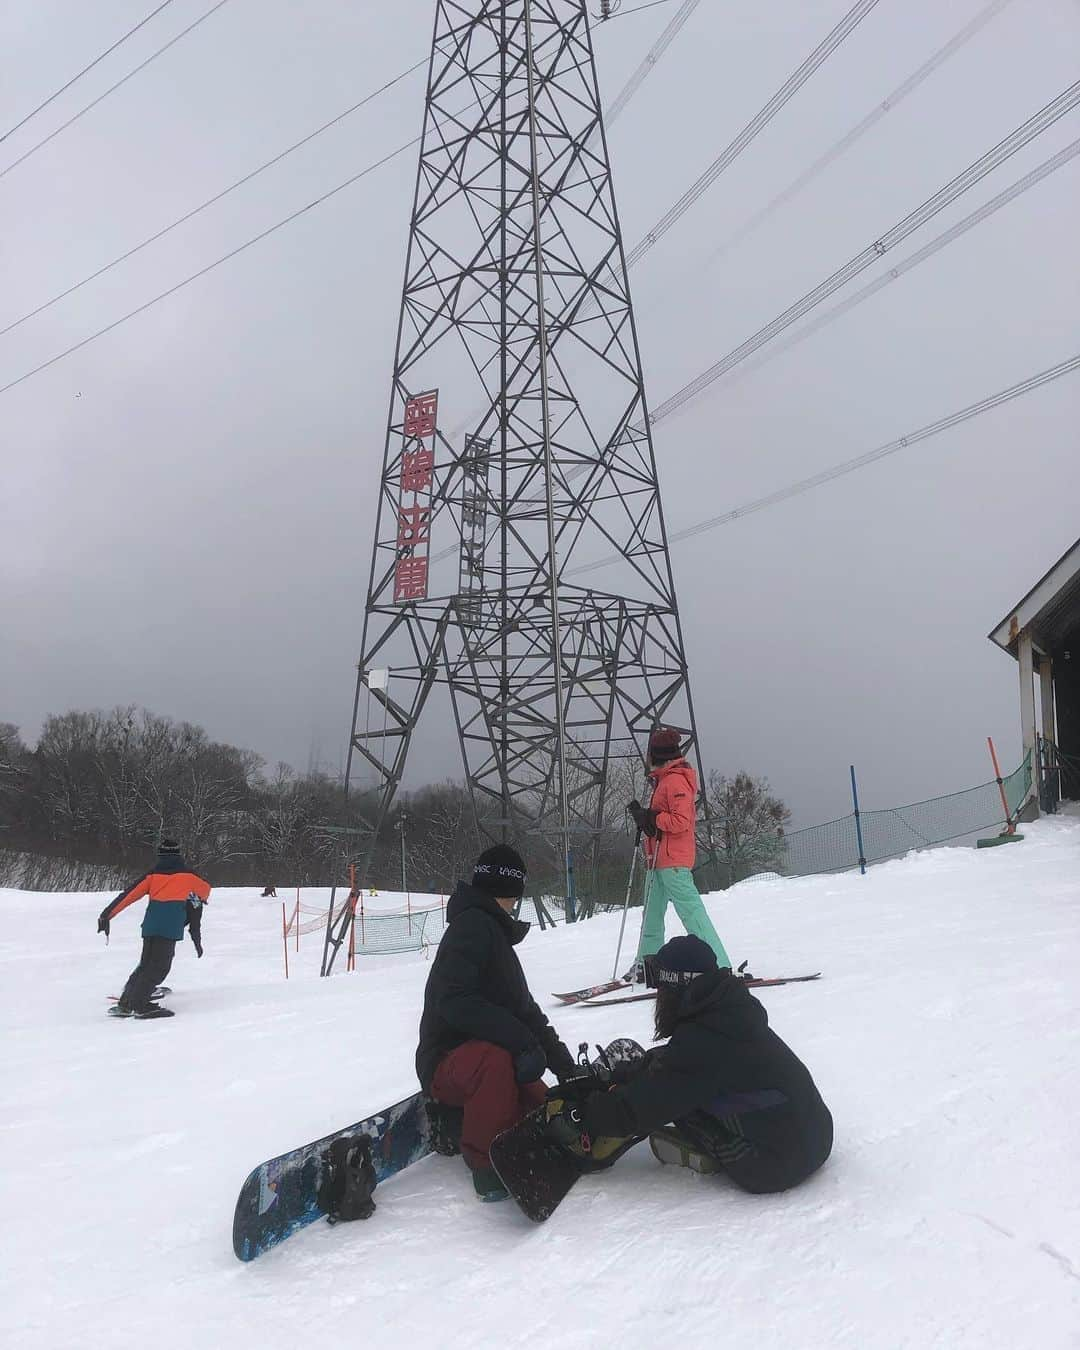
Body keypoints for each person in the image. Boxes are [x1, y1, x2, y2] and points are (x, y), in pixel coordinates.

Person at [552, 935, 833, 1194]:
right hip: (814, 1136)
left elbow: (639, 1108)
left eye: (659, 989)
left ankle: (712, 1152)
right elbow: (680, 1064)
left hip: (771, 1165)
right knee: (680, 1088)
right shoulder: (728, 1013)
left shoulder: (702, 1044)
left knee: (679, 1108)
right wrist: (629, 1073)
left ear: (675, 988)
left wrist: (585, 1113)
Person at [416, 843, 581, 1201]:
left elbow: (525, 1010)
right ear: (509, 891)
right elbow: (454, 1000)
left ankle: (460, 1122)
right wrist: (520, 1041)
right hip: (446, 1061)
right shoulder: (471, 929)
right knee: (496, 1059)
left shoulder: (493, 935)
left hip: (481, 1060)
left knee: (543, 1107)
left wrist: (564, 1067)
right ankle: (487, 1164)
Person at [624, 726, 731, 981]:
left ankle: (719, 965)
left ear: (657, 756)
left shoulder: (675, 780)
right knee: (651, 915)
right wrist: (647, 820)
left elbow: (681, 820)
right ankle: (646, 964)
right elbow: (663, 820)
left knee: (691, 912)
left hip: (672, 861)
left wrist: (653, 818)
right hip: (657, 860)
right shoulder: (663, 780)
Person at [97, 837, 210, 1019]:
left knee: (145, 965)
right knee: (159, 968)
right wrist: (191, 898)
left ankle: (126, 1003)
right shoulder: (189, 876)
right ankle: (140, 1004)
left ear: (161, 856)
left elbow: (128, 896)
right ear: (178, 855)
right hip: (170, 928)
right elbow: (204, 891)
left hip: (150, 927)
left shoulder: (153, 875)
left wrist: (106, 915)